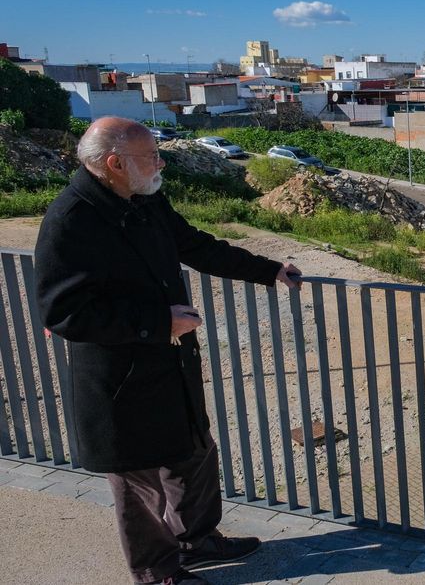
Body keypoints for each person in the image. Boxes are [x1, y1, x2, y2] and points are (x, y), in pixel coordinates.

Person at [34, 117, 303, 585]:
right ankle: (157, 571)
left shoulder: (144, 197)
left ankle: (196, 540)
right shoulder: (69, 220)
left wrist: (269, 270)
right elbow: (63, 313)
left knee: (193, 451)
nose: (161, 163)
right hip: (119, 377)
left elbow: (194, 244)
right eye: (151, 156)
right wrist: (160, 324)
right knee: (136, 482)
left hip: (170, 362)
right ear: (114, 164)